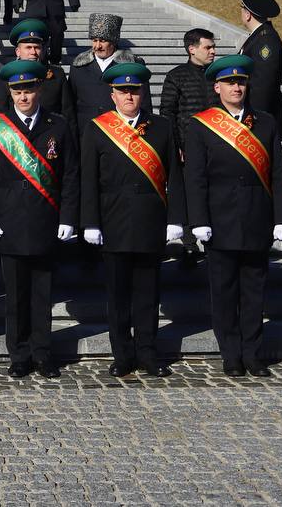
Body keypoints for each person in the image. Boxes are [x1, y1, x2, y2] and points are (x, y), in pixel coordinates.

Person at [183, 55, 282, 377]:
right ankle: (231, 353)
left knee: (254, 292)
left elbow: (277, 173)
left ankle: (252, 352)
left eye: (241, 82)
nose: (236, 87)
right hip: (219, 220)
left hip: (257, 216)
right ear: (217, 87)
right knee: (224, 292)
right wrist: (198, 220)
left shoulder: (265, 122)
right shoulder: (201, 124)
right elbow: (195, 177)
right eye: (230, 82)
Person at [80, 62, 185, 378]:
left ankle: (148, 353)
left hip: (151, 221)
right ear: (112, 95)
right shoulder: (97, 128)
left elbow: (176, 178)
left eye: (134, 91)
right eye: (123, 91)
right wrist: (90, 222)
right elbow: (89, 180)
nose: (129, 96)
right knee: (118, 295)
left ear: (143, 93)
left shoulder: (162, 127)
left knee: (148, 294)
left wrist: (176, 219)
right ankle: (123, 354)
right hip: (113, 224)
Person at [0, 60, 80, 378]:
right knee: (16, 296)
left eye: (29, 89)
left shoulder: (58, 125)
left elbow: (71, 175)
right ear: (10, 92)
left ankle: (43, 352)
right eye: (18, 90)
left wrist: (68, 217)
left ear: (39, 90)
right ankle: (19, 353)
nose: (24, 96)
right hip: (9, 220)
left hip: (45, 218)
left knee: (42, 293)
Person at [69, 13, 151, 124]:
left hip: (120, 133)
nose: (97, 46)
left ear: (113, 41)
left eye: (102, 41)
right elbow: (70, 106)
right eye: (94, 40)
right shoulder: (78, 66)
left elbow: (144, 103)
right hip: (85, 133)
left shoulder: (133, 66)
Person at [0, 19, 75, 123]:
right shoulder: (6, 75)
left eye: (37, 47)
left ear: (43, 50)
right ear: (18, 51)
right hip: (16, 136)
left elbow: (68, 114)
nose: (33, 52)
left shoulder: (57, 75)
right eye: (28, 48)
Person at [238, 0, 282, 140]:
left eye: (242, 9)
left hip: (260, 119)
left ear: (247, 15)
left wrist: (254, 120)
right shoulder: (258, 37)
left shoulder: (265, 40)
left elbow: (263, 83)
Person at [160, 29, 218, 153]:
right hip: (190, 147)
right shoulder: (175, 76)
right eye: (207, 48)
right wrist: (176, 146)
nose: (213, 51)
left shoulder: (219, 75)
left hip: (220, 143)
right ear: (192, 49)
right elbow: (167, 113)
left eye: (213, 47)